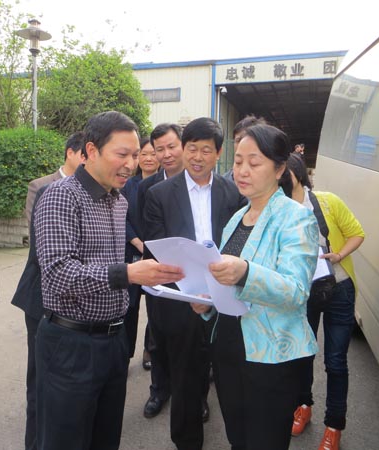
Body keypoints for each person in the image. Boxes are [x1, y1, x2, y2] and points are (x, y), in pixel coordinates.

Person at [33, 110, 184, 450]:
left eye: (135, 155)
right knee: (65, 441)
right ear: (91, 150)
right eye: (122, 154)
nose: (131, 164)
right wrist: (128, 273)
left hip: (114, 341)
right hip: (71, 344)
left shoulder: (118, 201)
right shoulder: (60, 196)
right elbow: (58, 274)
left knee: (106, 438)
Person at [191, 123, 319, 450]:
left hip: (270, 356)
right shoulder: (237, 219)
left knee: (265, 441)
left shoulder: (296, 218)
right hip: (228, 347)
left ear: (279, 169)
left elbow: (296, 291)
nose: (242, 170)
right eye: (238, 161)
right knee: (238, 437)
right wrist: (207, 303)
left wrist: (246, 272)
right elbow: (228, 284)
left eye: (254, 162)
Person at [143, 117, 247, 450]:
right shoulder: (159, 194)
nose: (197, 157)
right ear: (183, 149)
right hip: (183, 300)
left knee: (230, 378)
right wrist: (190, 290)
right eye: (192, 149)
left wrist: (218, 288)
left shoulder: (234, 193)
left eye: (206, 150)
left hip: (225, 297)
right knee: (185, 380)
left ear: (218, 153)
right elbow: (157, 249)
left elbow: (241, 245)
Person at [10, 131, 86, 450]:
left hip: (80, 301)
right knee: (40, 377)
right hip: (42, 295)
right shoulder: (42, 188)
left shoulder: (101, 190)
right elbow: (45, 244)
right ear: (71, 153)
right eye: (84, 155)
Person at [286, 152, 365, 450]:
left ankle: (334, 426)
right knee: (302, 354)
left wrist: (339, 255)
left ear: (297, 174)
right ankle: (303, 406)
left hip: (339, 288)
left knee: (335, 361)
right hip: (303, 292)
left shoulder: (328, 201)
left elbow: (357, 233)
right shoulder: (277, 208)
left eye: (283, 172)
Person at [136, 122, 186, 419]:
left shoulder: (199, 182)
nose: (165, 154)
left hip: (193, 273)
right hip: (158, 272)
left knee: (192, 341)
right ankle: (159, 390)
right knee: (158, 336)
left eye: (171, 147)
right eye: (159, 149)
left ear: (183, 146)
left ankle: (193, 396)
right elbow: (144, 229)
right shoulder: (146, 187)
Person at [120, 137, 159, 368]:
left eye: (153, 154)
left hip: (158, 255)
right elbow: (122, 217)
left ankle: (150, 350)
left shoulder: (164, 184)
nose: (148, 158)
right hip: (133, 252)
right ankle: (125, 354)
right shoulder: (127, 185)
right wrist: (138, 243)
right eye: (143, 154)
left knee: (155, 306)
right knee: (130, 306)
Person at [24, 131, 86, 228]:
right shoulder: (39, 186)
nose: (87, 161)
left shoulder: (90, 187)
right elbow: (34, 228)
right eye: (84, 156)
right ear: (70, 153)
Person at [223, 114, 266, 181]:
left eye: (247, 140)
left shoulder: (266, 180)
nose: (242, 144)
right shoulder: (223, 182)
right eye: (238, 140)